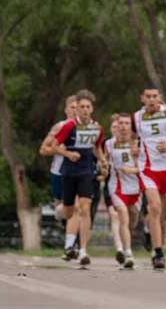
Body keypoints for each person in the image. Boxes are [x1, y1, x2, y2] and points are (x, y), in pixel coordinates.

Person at [44, 89, 106, 266]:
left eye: (88, 107)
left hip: (86, 173)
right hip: (68, 172)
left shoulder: (97, 128)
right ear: (76, 109)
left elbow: (97, 147)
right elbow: (54, 147)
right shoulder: (69, 126)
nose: (85, 110)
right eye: (81, 107)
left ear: (92, 109)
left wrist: (102, 161)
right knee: (70, 212)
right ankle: (67, 237)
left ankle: (83, 250)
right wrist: (68, 153)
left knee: (84, 208)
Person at [133, 87, 166, 269]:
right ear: (142, 99)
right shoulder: (136, 118)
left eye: (154, 96)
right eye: (148, 97)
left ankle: (147, 229)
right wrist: (133, 147)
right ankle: (158, 253)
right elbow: (131, 136)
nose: (151, 100)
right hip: (148, 168)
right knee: (154, 207)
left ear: (160, 98)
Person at [38, 95, 80, 260]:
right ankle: (69, 237)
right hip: (59, 173)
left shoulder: (87, 127)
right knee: (64, 210)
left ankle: (73, 247)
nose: (75, 110)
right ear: (66, 110)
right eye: (72, 107)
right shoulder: (60, 127)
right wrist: (62, 150)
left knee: (78, 208)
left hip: (79, 173)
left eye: (78, 107)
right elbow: (43, 149)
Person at [105, 113, 141, 269]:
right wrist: (103, 169)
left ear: (131, 126)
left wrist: (132, 170)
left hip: (135, 187)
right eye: (121, 123)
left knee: (132, 219)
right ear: (116, 126)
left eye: (127, 123)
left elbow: (147, 168)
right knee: (123, 217)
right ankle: (128, 254)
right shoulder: (109, 144)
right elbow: (104, 162)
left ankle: (127, 243)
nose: (124, 126)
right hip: (117, 186)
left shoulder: (138, 143)